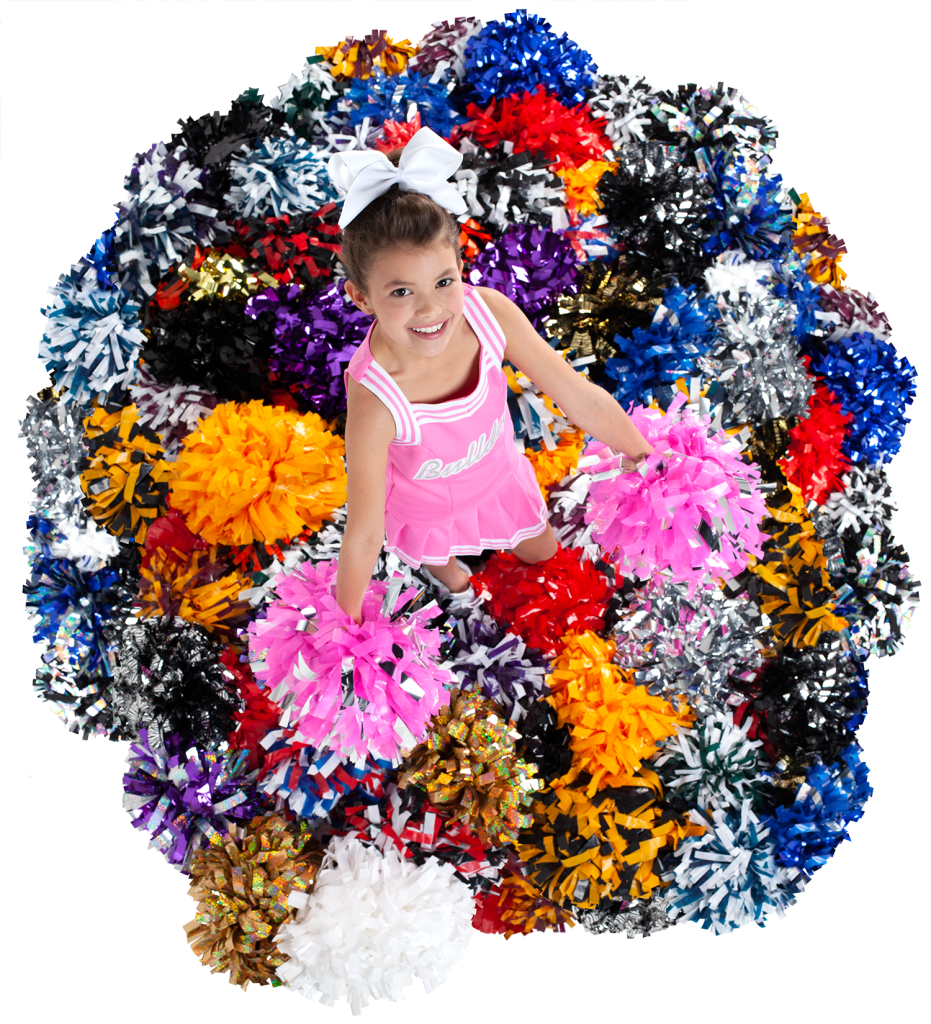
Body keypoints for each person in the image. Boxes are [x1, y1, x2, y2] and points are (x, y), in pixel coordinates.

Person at [330, 128, 654, 625]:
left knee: (544, 556)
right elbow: (365, 530)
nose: (431, 309)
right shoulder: (376, 394)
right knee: (453, 576)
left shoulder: (489, 316)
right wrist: (341, 633)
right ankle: (459, 586)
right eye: (401, 293)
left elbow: (579, 397)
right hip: (423, 510)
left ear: (461, 266)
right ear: (361, 298)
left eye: (444, 282)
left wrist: (647, 460)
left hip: (498, 479)